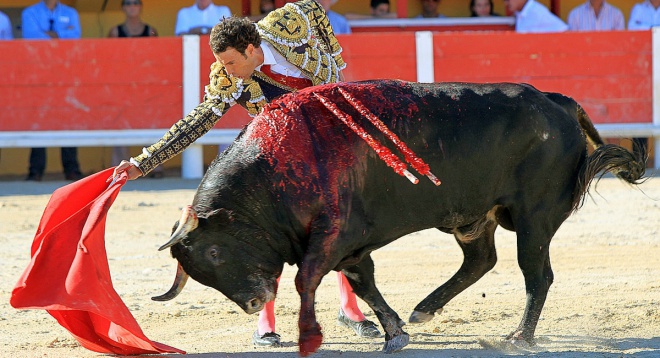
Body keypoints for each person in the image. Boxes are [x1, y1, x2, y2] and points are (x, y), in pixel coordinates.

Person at [112, 0, 381, 348]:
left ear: (252, 49)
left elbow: (313, 8)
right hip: (281, 151)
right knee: (273, 233)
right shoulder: (228, 77)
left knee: (342, 225)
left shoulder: (288, 22)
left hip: (325, 143)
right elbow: (199, 120)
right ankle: (266, 323)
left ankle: (351, 309)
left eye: (230, 61)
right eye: (221, 63)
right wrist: (144, 162)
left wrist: (335, 63)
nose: (225, 69)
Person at [22, 0, 83, 181]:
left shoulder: (71, 12)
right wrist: (61, 35)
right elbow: (32, 38)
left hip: (65, 71)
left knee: (67, 118)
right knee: (39, 119)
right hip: (38, 72)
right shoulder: (29, 13)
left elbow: (76, 37)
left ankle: (71, 168)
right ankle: (36, 170)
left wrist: (51, 34)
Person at [628, 0, 660, 160]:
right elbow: (632, 32)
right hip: (641, 69)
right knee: (640, 113)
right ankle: (639, 161)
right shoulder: (638, 9)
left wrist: (649, 30)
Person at [503, 0, 568, 33]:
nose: (505, 3)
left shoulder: (537, 12)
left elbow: (564, 31)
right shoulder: (519, 12)